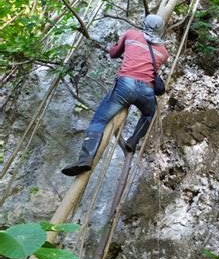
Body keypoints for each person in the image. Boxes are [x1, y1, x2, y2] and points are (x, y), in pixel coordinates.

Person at [62, 14, 169, 176]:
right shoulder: (163, 52)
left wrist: (119, 48)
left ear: (144, 24)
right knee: (149, 115)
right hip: (146, 90)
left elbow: (113, 53)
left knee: (99, 120)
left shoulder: (131, 34)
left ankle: (85, 159)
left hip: (125, 86)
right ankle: (133, 141)